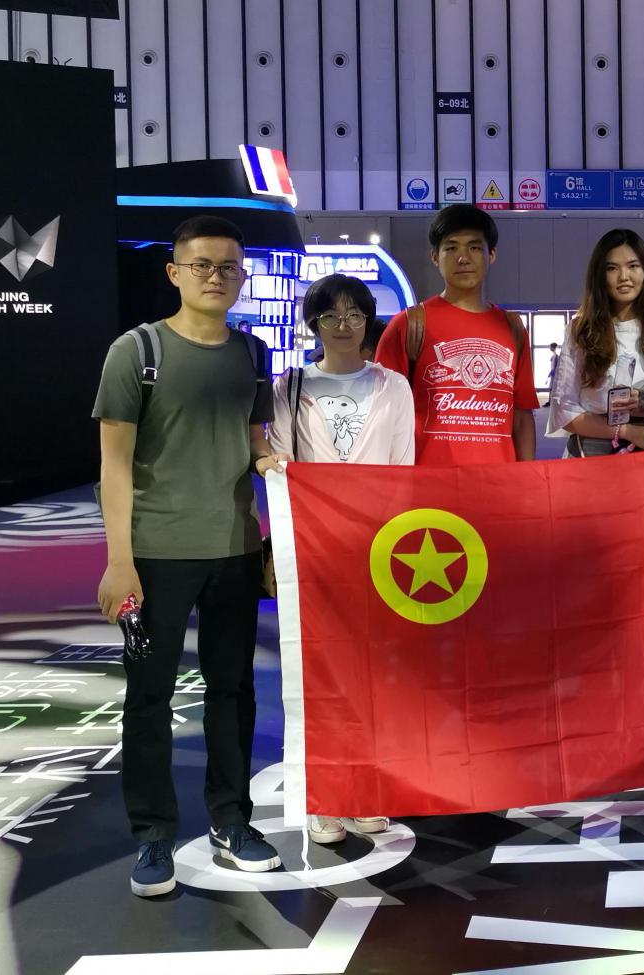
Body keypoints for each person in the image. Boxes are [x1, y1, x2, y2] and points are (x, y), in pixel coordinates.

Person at [93, 215, 285, 897]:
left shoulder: (253, 353)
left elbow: (254, 441)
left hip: (233, 551)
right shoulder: (136, 352)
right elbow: (114, 465)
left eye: (228, 266)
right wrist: (120, 560)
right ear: (174, 273)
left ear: (243, 275)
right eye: (201, 265)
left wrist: (269, 485)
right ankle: (153, 835)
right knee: (150, 696)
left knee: (233, 693)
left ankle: (232, 821)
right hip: (156, 555)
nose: (215, 276)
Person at [268, 274, 411, 844]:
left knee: (375, 674)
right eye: (331, 315)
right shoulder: (291, 385)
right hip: (316, 552)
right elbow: (282, 465)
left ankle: (368, 788)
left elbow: (403, 472)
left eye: (355, 314)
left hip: (378, 551)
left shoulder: (394, 387)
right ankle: (326, 797)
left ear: (368, 320)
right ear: (314, 323)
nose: (344, 325)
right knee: (321, 673)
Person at [374, 204, 537, 465]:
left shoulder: (512, 328)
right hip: (429, 482)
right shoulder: (409, 325)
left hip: (498, 482)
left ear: (491, 254)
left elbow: (521, 416)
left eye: (474, 247)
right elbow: (381, 413)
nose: (463, 258)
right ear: (434, 256)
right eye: (451, 248)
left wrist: (527, 478)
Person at [546, 229, 644, 456]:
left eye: (633, 266)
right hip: (591, 457)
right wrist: (627, 431)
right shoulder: (581, 331)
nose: (623, 276)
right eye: (612, 268)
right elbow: (564, 410)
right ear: (599, 275)